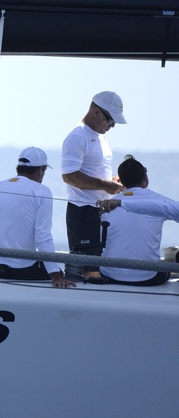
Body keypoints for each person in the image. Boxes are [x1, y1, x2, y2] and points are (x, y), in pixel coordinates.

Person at [0, 147, 75, 287]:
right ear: (41, 170)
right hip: (21, 271)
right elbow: (43, 237)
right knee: (63, 272)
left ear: (19, 168)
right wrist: (56, 276)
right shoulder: (42, 191)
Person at [61, 91, 126, 282]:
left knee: (99, 263)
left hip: (100, 211)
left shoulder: (99, 136)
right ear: (96, 111)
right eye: (110, 120)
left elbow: (94, 171)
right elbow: (69, 176)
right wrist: (105, 185)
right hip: (82, 210)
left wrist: (112, 180)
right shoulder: (77, 136)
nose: (112, 126)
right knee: (89, 269)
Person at [94, 156, 174, 285]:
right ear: (145, 176)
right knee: (168, 264)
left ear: (121, 181)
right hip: (148, 277)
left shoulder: (107, 206)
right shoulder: (160, 201)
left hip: (110, 273)